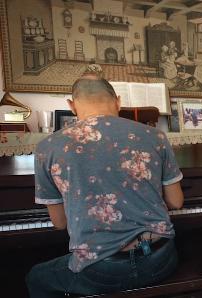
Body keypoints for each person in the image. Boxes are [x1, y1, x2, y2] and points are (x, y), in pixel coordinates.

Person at [26, 76, 184, 297]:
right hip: (161, 259)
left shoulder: (48, 147)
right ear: (118, 101)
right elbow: (176, 202)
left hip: (102, 270)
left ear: (71, 106)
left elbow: (60, 222)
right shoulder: (155, 135)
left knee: (36, 277)